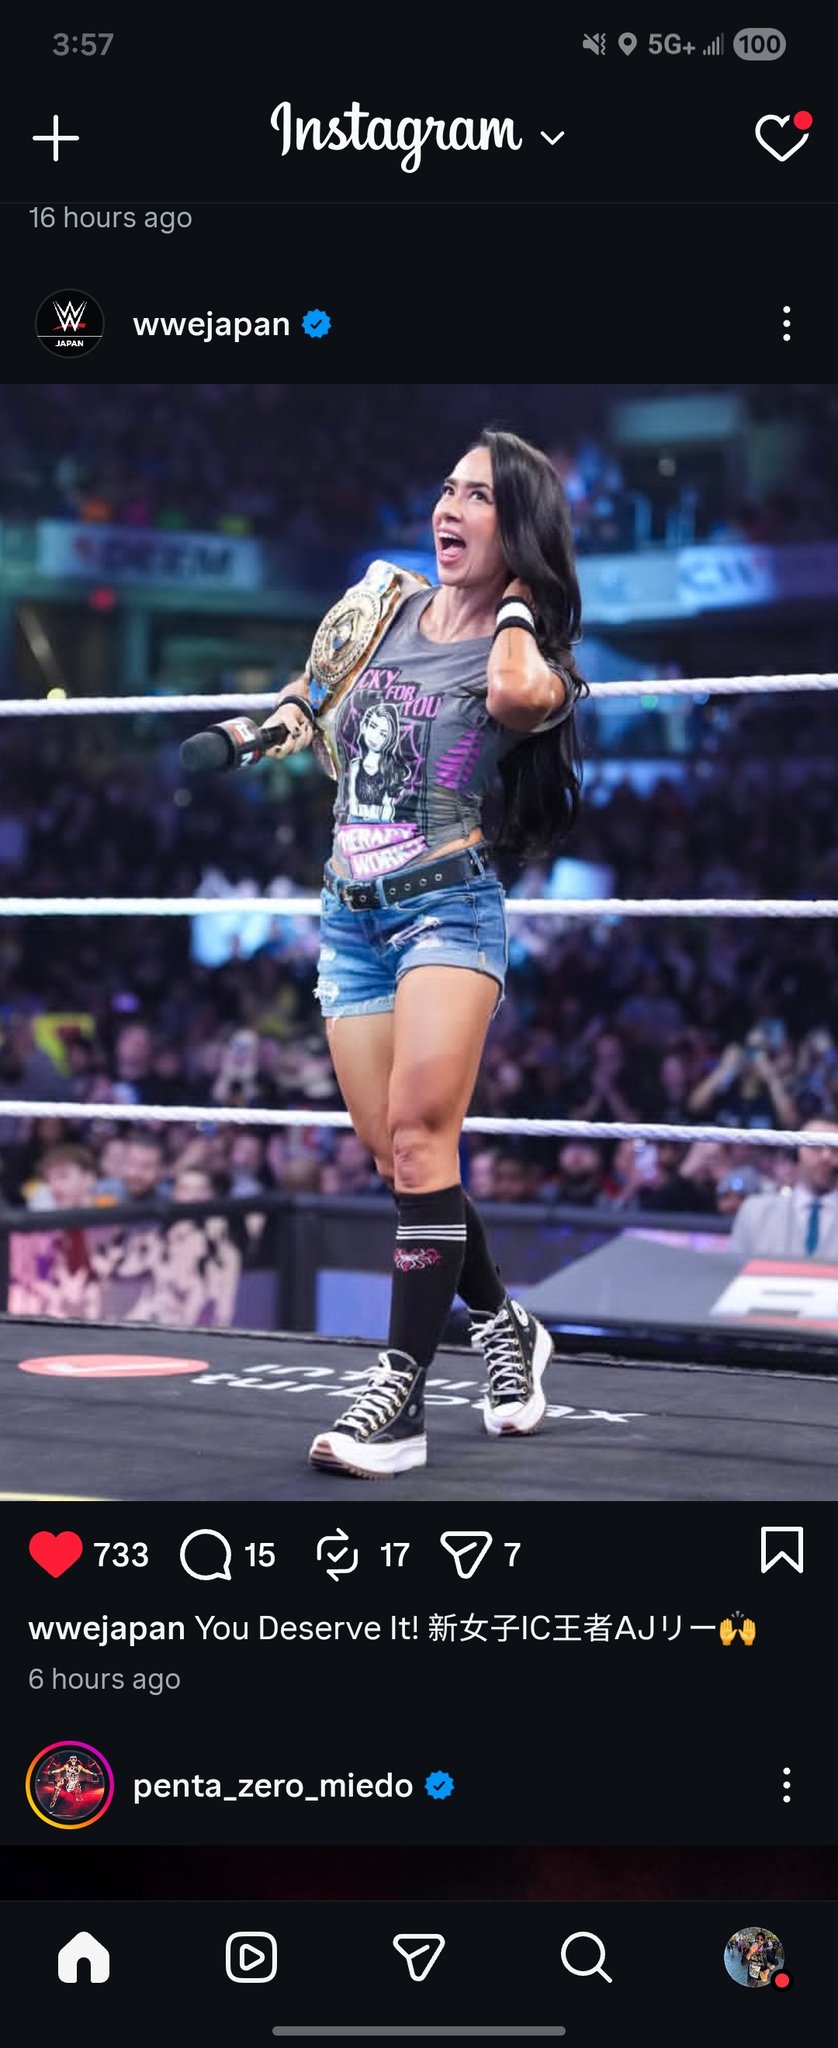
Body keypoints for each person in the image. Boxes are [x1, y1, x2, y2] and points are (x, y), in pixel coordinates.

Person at [260, 429, 587, 1476]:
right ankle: (505, 1323)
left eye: (479, 496)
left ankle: (398, 1398)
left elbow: (516, 700)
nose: (449, 507)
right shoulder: (386, 607)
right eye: (447, 489)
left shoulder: (528, 656)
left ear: (518, 525)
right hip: (350, 914)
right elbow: (316, 689)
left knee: (417, 1135)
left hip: (447, 909)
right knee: (399, 1155)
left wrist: (521, 598)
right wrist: (271, 719)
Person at [729, 1117, 838, 1258]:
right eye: (816, 1147)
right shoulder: (754, 1212)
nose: (826, 1156)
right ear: (797, 1152)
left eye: (835, 1149)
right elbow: (734, 1267)